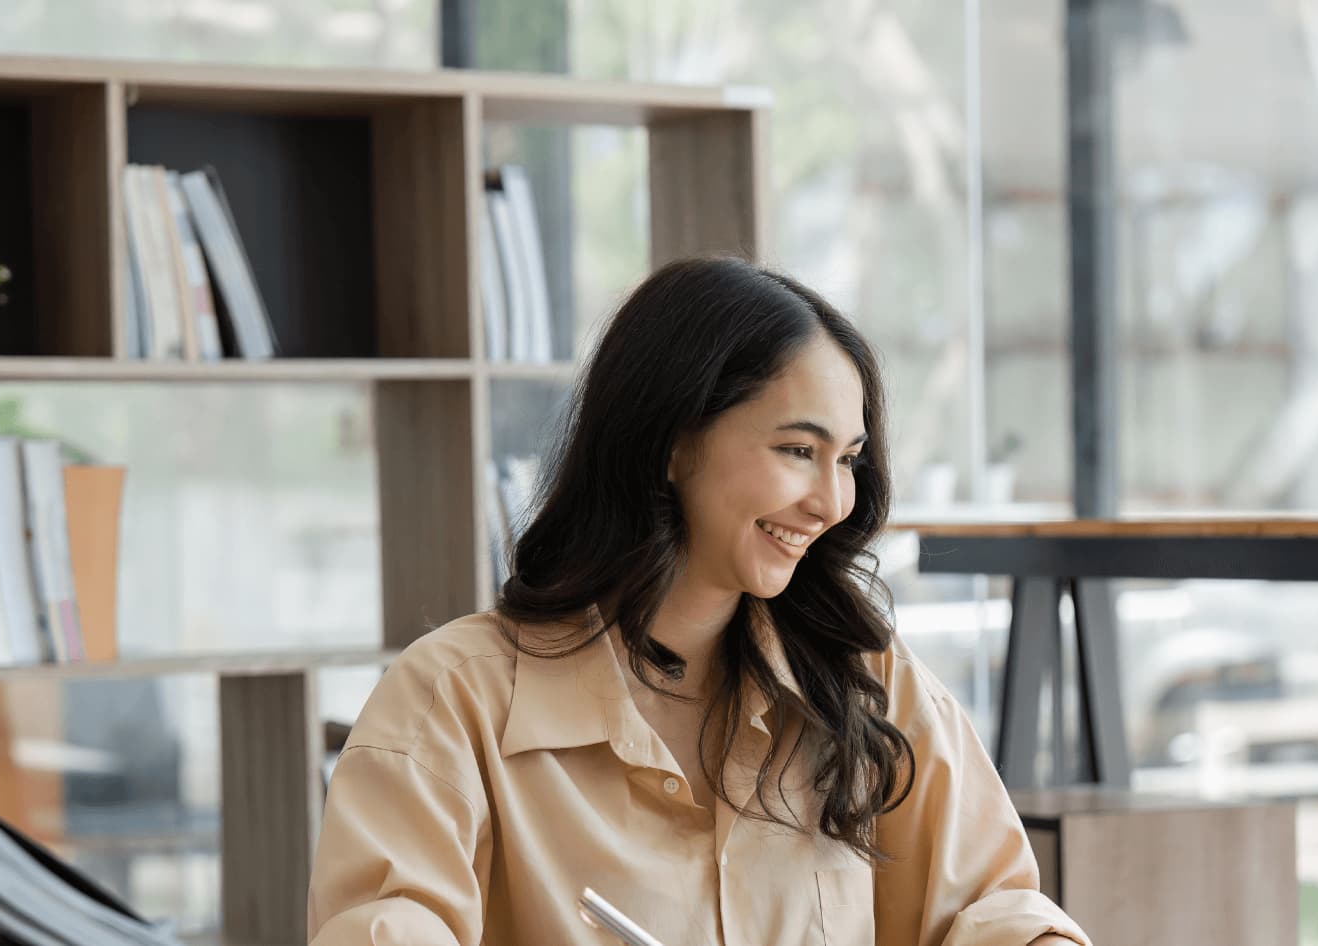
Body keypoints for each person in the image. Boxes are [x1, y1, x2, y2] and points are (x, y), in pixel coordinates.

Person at [307, 257, 1090, 945]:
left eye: (846, 459)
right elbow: (387, 925)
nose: (831, 501)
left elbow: (987, 909)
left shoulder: (866, 677)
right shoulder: (454, 699)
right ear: (673, 443)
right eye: (796, 451)